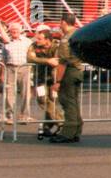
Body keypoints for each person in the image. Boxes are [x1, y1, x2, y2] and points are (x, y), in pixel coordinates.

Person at [51, 13, 83, 143]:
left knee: (67, 102)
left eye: (60, 22)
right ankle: (76, 131)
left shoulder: (66, 39)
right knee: (74, 102)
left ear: (64, 22)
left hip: (69, 72)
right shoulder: (79, 33)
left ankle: (68, 133)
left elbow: (63, 61)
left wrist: (58, 81)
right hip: (78, 70)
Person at [28, 27, 61, 136]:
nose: (37, 41)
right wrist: (47, 61)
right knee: (42, 100)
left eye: (40, 39)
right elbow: (30, 58)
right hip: (40, 78)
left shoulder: (56, 47)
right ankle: (61, 122)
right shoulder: (34, 46)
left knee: (52, 101)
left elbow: (56, 61)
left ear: (47, 40)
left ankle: (47, 126)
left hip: (53, 79)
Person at [0, 21, 33, 124]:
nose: (14, 31)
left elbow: (31, 56)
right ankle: (9, 116)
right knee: (9, 93)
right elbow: (3, 59)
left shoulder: (27, 41)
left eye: (16, 30)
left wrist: (31, 70)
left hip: (24, 68)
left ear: (20, 31)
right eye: (12, 30)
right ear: (9, 31)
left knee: (25, 93)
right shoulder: (6, 42)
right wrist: (2, 73)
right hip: (10, 68)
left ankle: (24, 115)